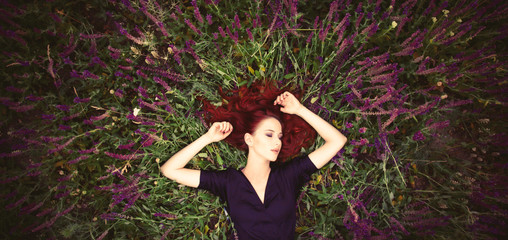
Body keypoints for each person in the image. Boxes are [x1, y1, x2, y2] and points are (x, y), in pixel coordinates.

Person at [161, 84, 347, 239]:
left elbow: (337, 141)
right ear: (249, 139)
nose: (277, 142)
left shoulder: (289, 175)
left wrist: (300, 110)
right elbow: (170, 170)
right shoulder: (228, 182)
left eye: (280, 137)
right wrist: (208, 138)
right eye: (269, 134)